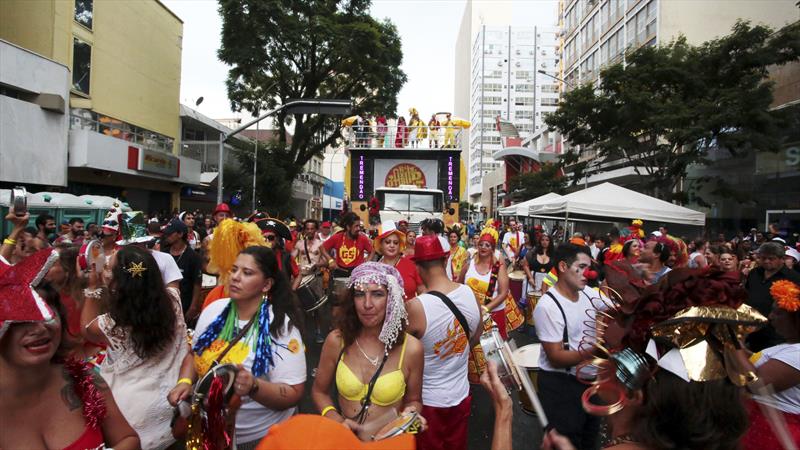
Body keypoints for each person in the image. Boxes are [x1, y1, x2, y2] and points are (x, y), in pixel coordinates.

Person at [0, 248, 139, 450]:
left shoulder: (84, 380)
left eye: (46, 312)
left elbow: (129, 440)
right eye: (18, 320)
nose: (40, 327)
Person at [169, 246, 306, 449]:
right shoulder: (212, 310)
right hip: (208, 433)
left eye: (247, 273)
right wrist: (184, 381)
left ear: (266, 284)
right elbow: (193, 354)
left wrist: (253, 386)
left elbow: (294, 393)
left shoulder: (280, 328)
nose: (235, 277)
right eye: (234, 270)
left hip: (258, 438)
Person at [81, 245, 188, 449]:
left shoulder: (112, 324)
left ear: (117, 284)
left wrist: (92, 288)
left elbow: (86, 328)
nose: (104, 270)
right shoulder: (173, 300)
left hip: (130, 415)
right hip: (172, 403)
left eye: (108, 268)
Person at [312, 262, 424, 440]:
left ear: (391, 300)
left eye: (377, 294)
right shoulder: (337, 341)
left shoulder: (411, 349)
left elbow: (414, 401)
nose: (367, 304)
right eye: (359, 294)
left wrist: (411, 417)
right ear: (351, 300)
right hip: (344, 441)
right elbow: (319, 392)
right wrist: (337, 421)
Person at [404, 235, 482, 450]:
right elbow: (476, 335)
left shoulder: (415, 307)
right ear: (445, 261)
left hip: (424, 402)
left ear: (418, 267)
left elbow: (398, 355)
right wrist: (456, 352)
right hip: (461, 395)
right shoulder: (468, 293)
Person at [533, 243, 601, 449]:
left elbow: (620, 307)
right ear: (563, 267)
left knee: (589, 441)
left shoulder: (590, 293)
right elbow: (555, 356)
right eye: (580, 267)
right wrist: (595, 350)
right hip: (562, 386)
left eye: (588, 268)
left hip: (590, 383)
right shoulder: (547, 305)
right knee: (566, 442)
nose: (587, 274)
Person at [735, 278, 800, 448]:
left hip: (769, 432)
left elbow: (757, 384)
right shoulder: (790, 347)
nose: (771, 317)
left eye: (778, 313)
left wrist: (733, 343)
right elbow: (756, 362)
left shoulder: (798, 353)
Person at [745, 241, 800, 351]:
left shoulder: (793, 278)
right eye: (763, 258)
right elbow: (747, 295)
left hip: (776, 333)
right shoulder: (754, 273)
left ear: (782, 259)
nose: (766, 261)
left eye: (771, 258)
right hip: (751, 330)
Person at [459, 226, 511, 339]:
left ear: (492, 249)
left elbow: (503, 293)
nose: (483, 247)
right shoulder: (469, 265)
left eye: (487, 245)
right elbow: (459, 286)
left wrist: (486, 309)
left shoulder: (498, 267)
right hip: (471, 314)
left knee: (493, 352)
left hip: (494, 315)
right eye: (481, 244)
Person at [162, 217, 203, 324]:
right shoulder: (164, 253)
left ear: (180, 234)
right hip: (164, 305)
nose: (167, 236)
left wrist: (193, 307)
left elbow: (197, 284)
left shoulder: (193, 257)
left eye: (170, 233)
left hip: (184, 304)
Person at [373, 221, 423, 301]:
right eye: (387, 242)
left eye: (395, 243)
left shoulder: (411, 264)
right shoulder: (374, 268)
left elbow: (422, 291)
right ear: (381, 245)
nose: (392, 245)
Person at [321, 212, 374, 278]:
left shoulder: (362, 238)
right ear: (348, 227)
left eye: (359, 226)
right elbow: (322, 247)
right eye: (356, 226)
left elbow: (372, 251)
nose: (359, 229)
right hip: (340, 272)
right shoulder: (337, 237)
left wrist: (367, 262)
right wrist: (330, 260)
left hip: (357, 273)